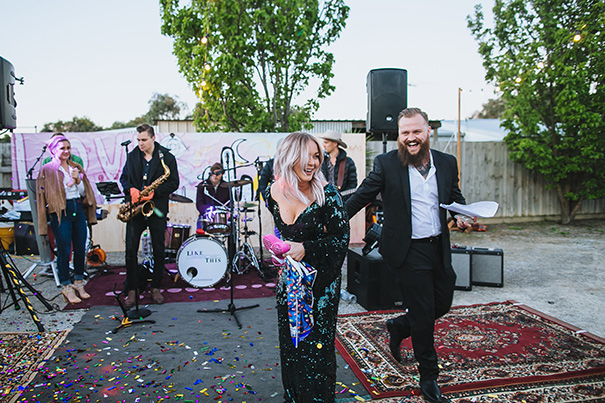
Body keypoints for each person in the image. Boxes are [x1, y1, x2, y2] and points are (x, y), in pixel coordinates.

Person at [345, 107, 471, 403]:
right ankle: (429, 377)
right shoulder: (386, 164)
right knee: (424, 314)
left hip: (438, 246)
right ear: (399, 136)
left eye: (416, 131)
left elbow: (454, 197)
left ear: (428, 131)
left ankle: (400, 325)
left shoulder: (447, 163)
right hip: (407, 249)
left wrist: (462, 215)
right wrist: (331, 222)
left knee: (442, 302)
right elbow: (362, 196)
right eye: (405, 133)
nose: (411, 138)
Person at [266, 132, 350, 402]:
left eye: (317, 156)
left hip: (321, 286)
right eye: (307, 156)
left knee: (317, 351)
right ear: (290, 156)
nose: (313, 162)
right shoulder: (272, 192)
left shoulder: (327, 194)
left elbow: (341, 240)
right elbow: (282, 233)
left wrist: (306, 249)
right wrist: (281, 252)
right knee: (291, 346)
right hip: (289, 284)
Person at [119, 124, 179, 307]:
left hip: (157, 208)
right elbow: (124, 179)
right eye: (138, 140)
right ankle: (132, 289)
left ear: (153, 138)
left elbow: (174, 182)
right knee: (130, 250)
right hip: (136, 209)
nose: (140, 143)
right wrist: (131, 190)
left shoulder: (167, 157)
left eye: (144, 140)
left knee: (159, 249)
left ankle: (155, 287)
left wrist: (155, 192)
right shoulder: (132, 156)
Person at [36, 135, 97, 304]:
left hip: (77, 207)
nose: (66, 151)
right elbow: (43, 195)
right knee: (64, 249)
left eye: (68, 148)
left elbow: (84, 192)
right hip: (60, 211)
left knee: (80, 247)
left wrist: (77, 180)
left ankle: (78, 282)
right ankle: (66, 285)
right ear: (53, 150)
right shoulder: (47, 170)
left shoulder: (75, 166)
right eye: (62, 148)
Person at [320, 130, 357, 201]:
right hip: (323, 200)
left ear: (335, 144)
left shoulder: (348, 162)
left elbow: (352, 185)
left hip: (342, 201)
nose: (324, 145)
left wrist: (340, 199)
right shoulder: (321, 161)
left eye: (326, 142)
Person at [195, 162, 230, 227]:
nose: (215, 176)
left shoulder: (226, 186)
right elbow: (199, 204)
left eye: (217, 174)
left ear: (222, 174)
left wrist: (228, 212)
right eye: (213, 174)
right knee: (200, 225)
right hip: (206, 216)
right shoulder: (202, 185)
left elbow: (229, 202)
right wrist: (208, 211)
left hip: (221, 217)